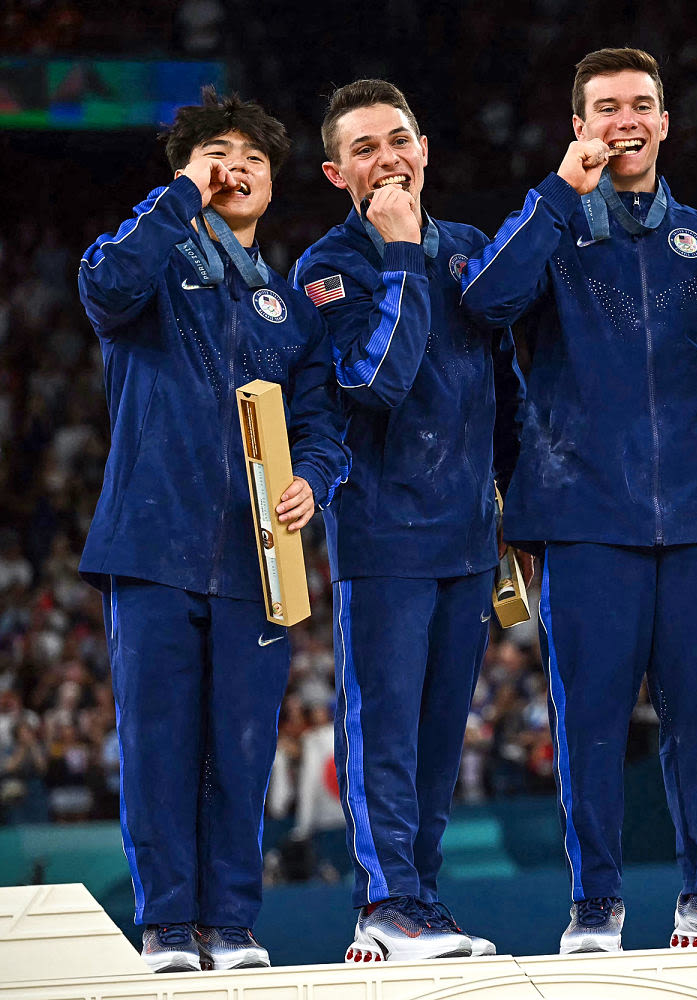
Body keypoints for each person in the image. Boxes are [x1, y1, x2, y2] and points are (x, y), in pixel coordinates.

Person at [461, 48, 697, 953]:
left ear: (664, 122)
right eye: (605, 108)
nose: (625, 121)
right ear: (579, 127)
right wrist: (556, 197)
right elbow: (487, 305)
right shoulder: (548, 230)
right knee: (593, 724)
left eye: (641, 106)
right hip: (582, 519)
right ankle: (595, 904)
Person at [77, 88, 349, 972]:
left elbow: (320, 423)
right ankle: (164, 926)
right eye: (217, 155)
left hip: (256, 558)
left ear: (275, 186)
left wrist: (313, 477)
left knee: (241, 749)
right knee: (159, 745)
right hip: (153, 545)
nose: (237, 169)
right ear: (189, 170)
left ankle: (228, 927)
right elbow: (105, 284)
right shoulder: (145, 266)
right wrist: (181, 197)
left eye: (254, 160)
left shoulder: (290, 307)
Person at [295, 79, 519, 962]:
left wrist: (517, 513)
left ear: (424, 147)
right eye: (364, 148)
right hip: (384, 536)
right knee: (382, 730)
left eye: (398, 139)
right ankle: (384, 901)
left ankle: (417, 904)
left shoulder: (467, 250)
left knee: (436, 744)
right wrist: (395, 256)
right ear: (334, 171)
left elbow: (507, 392)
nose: (386, 159)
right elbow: (375, 384)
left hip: (467, 538)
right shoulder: (327, 268)